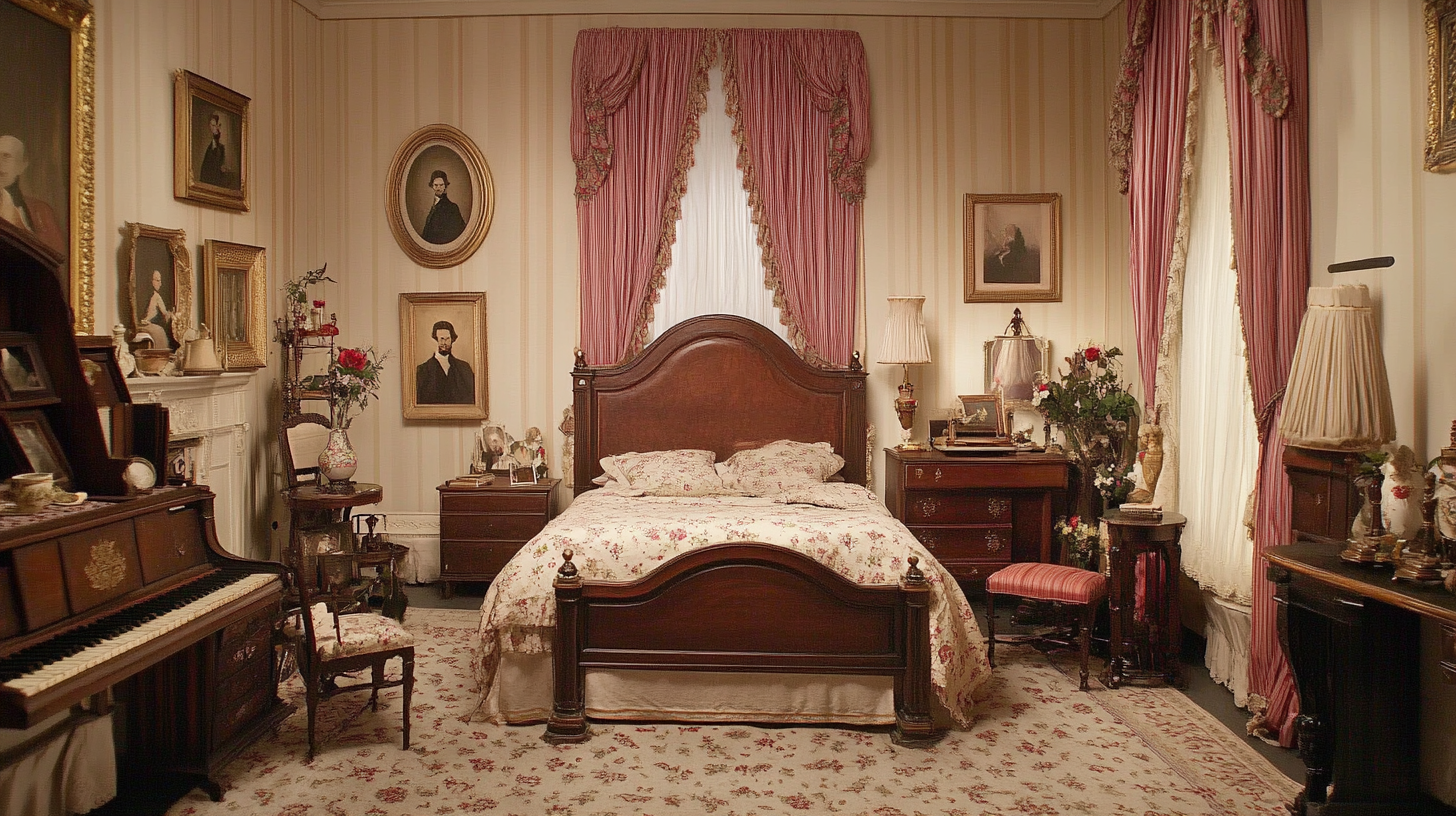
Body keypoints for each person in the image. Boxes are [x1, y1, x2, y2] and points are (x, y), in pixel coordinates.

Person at [0, 135, 64, 255]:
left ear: (22, 166)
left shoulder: (41, 210)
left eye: (6, 157)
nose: (0, 163)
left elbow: (57, 258)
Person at [415, 320, 475, 404]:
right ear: (436, 339)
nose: (444, 343)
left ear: (452, 339)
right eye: (441, 339)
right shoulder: (422, 370)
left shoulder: (464, 368)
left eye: (447, 339)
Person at [420, 170, 465, 245]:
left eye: (441, 185)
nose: (438, 188)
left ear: (445, 186)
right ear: (432, 186)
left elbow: (458, 232)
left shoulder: (452, 208)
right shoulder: (434, 205)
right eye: (436, 185)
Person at [138, 269, 175, 350]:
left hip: (145, 325)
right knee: (159, 332)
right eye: (157, 280)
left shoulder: (155, 296)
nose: (160, 284)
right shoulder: (152, 296)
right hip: (144, 326)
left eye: (160, 280)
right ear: (151, 281)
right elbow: (165, 316)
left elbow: (164, 316)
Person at [199, 112, 229, 187]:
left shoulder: (221, 146)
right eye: (212, 125)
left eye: (216, 125)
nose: (214, 128)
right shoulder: (207, 144)